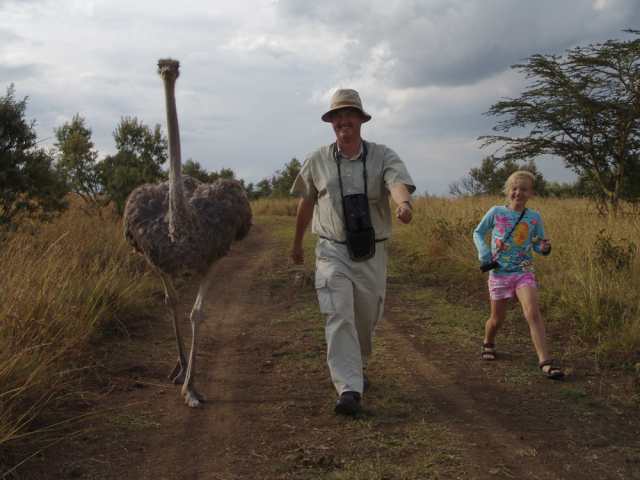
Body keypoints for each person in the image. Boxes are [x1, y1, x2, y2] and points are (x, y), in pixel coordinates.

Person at [290, 88, 416, 415]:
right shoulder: (317, 160)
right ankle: (348, 389)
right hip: (332, 250)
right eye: (337, 117)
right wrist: (296, 244)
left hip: (372, 251)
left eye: (350, 116)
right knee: (338, 313)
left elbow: (396, 182)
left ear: (361, 120)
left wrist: (403, 203)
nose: (343, 122)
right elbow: (305, 202)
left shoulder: (383, 155)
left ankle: (356, 365)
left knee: (365, 315)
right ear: (331, 123)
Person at [472, 170, 564, 380]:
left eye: (523, 189)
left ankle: (545, 361)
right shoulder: (496, 212)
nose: (518, 193)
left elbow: (538, 244)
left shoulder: (534, 217)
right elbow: (477, 232)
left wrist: (544, 247)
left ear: (531, 193)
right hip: (499, 273)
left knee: (532, 313)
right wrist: (484, 252)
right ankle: (488, 342)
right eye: (514, 188)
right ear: (508, 191)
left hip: (524, 272)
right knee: (497, 319)